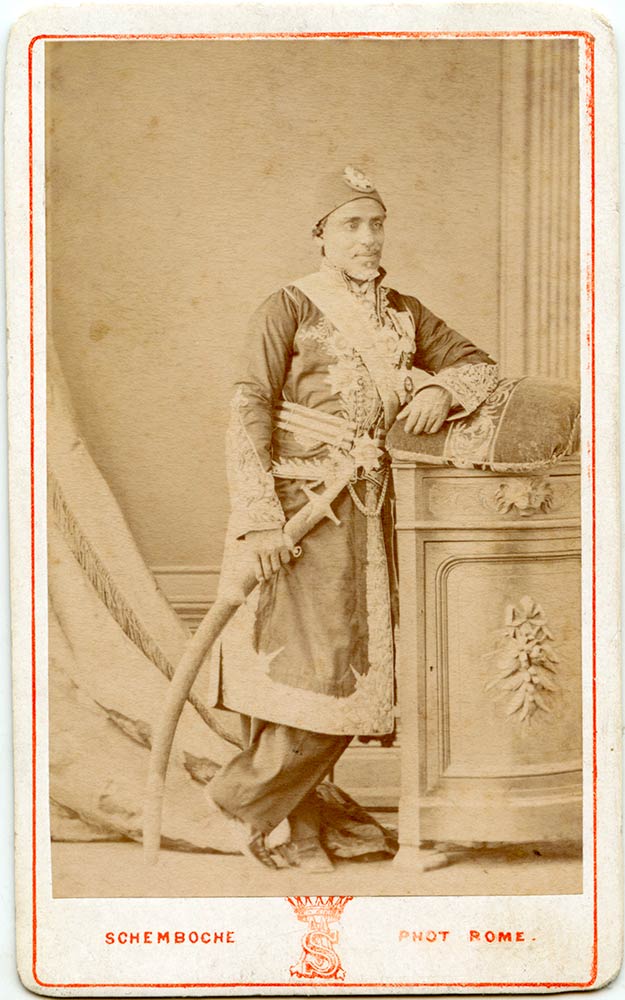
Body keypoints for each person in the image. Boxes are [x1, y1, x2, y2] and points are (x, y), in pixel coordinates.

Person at [204, 165, 498, 871]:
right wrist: (259, 522)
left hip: (375, 514)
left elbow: (478, 366)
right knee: (309, 676)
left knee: (351, 678)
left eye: (376, 224)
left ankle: (293, 821)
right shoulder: (288, 306)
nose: (367, 238)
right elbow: (248, 408)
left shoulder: (403, 311)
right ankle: (254, 808)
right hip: (299, 515)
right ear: (321, 236)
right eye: (351, 225)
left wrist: (437, 388)